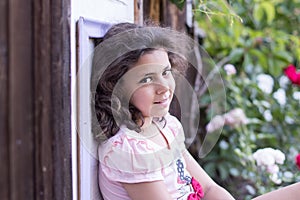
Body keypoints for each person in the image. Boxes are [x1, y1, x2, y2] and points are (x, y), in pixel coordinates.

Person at [93, 22, 300, 200]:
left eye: (166, 72)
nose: (164, 86)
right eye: (147, 79)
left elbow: (209, 189)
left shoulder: (165, 126)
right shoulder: (129, 151)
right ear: (117, 87)